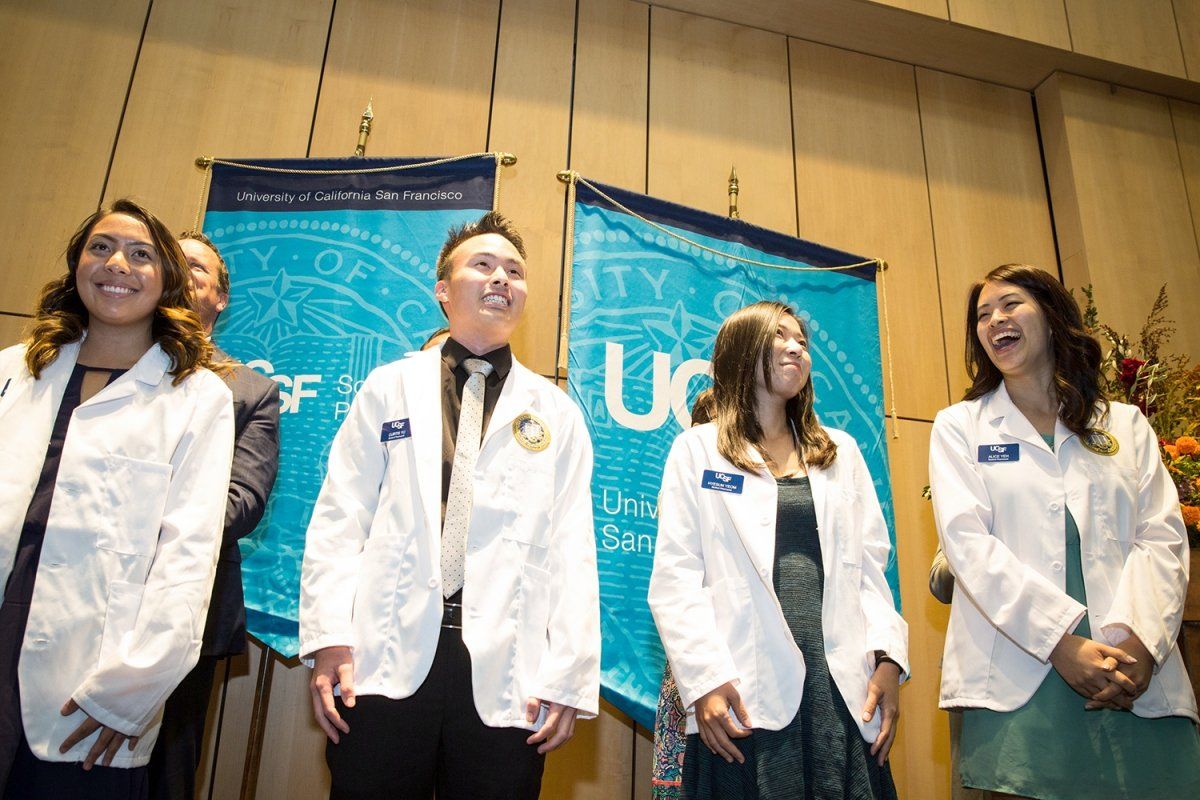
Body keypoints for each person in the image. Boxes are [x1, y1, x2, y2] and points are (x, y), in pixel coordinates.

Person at [299, 211, 600, 799]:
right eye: (482, 265)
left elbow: (572, 548)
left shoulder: (556, 413)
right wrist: (331, 636)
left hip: (508, 665)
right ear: (443, 290)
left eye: (514, 271)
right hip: (385, 653)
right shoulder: (389, 387)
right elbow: (342, 515)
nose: (501, 279)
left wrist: (569, 672)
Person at [928, 263, 1200, 799]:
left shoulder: (1123, 425)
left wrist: (1142, 645)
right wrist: (1059, 643)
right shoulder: (960, 427)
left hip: (1132, 672)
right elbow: (969, 547)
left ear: (1052, 319)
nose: (994, 320)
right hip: (1024, 675)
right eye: (982, 315)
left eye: (1010, 305)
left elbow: (1162, 538)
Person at [0, 199, 234, 799]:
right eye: (100, 248)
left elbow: (188, 556)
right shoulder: (13, 372)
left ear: (167, 283)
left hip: (90, 683)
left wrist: (130, 693)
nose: (116, 264)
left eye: (140, 254)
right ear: (77, 264)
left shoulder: (196, 396)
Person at [649, 300, 908, 799]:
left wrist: (890, 661)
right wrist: (703, 680)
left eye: (803, 342)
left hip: (838, 684)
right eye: (780, 337)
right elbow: (676, 576)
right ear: (742, 351)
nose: (797, 348)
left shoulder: (842, 451)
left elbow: (871, 570)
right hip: (741, 686)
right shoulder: (697, 450)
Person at [147, 233, 280, 799]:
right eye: (168, 261)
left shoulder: (249, 391)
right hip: (59, 597)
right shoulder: (88, 366)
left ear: (219, 297)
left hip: (184, 608)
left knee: (164, 775)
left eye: (195, 268)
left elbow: (239, 503)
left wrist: (122, 519)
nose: (181, 273)